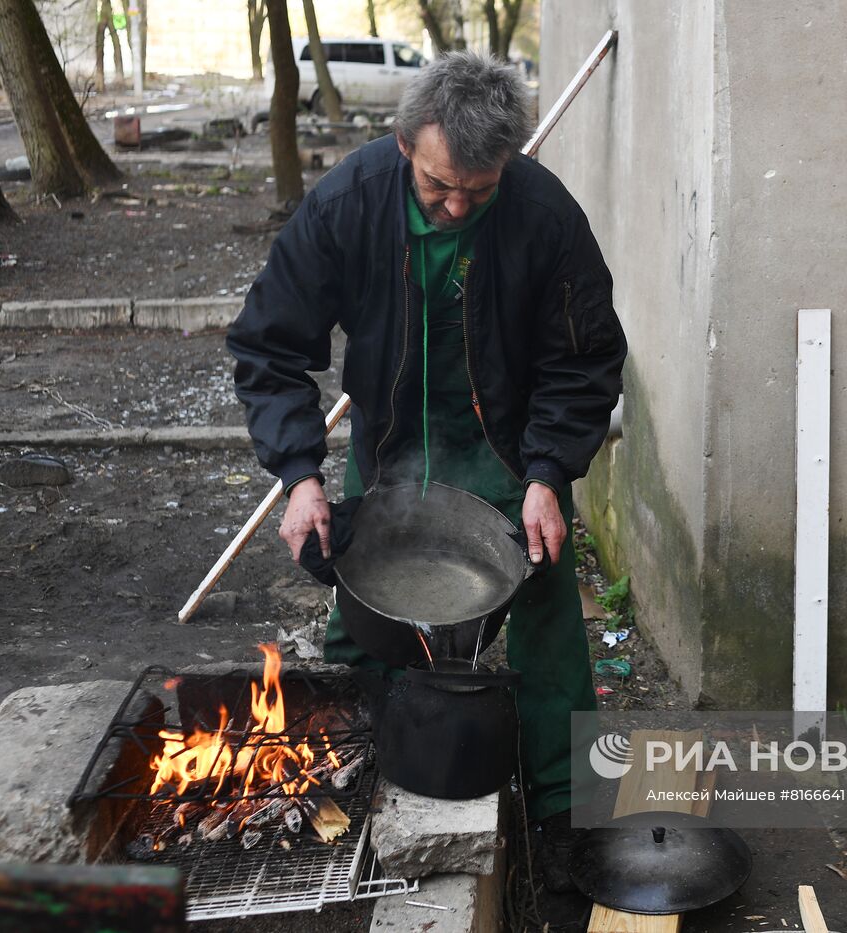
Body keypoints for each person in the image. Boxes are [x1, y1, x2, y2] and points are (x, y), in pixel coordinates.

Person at [226, 50, 626, 902]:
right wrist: (300, 475)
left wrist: (550, 472)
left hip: (512, 456)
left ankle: (563, 818)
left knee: (547, 613)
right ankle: (358, 774)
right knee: (363, 612)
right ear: (404, 142)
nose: (454, 205)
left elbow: (584, 359)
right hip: (395, 443)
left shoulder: (543, 216)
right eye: (440, 185)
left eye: (476, 193)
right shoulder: (347, 204)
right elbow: (268, 345)